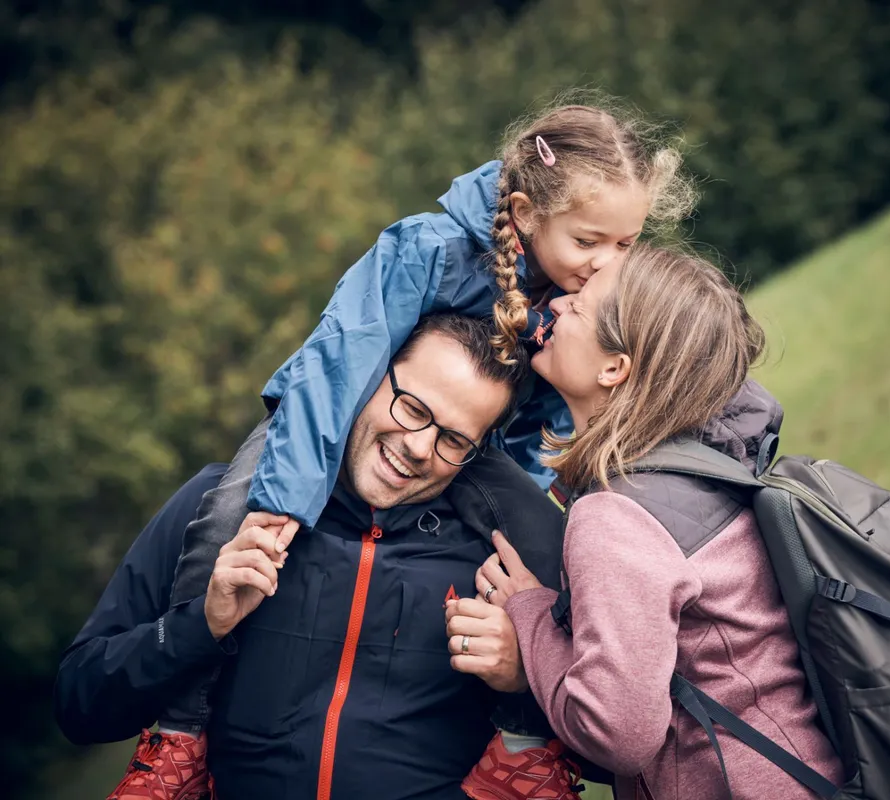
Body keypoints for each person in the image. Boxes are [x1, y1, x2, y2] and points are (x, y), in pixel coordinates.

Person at [109, 99, 696, 799]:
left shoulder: (566, 301)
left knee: (544, 545)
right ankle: (176, 737)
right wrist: (284, 502)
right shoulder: (425, 250)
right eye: (590, 241)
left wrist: (512, 506)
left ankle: (525, 749)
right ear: (529, 212)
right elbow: (335, 370)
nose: (607, 263)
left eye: (625, 246)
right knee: (226, 517)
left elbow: (536, 430)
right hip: (327, 417)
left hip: (461, 452)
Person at [56, 315, 593, 800]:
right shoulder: (222, 511)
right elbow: (80, 704)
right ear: (367, 378)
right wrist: (199, 625)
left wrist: (530, 673)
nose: (420, 447)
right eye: (412, 409)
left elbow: (618, 757)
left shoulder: (500, 565)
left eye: (454, 439)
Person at [448, 246, 846, 799]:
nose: (556, 306)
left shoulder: (617, 513)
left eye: (580, 308)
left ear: (615, 367)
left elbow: (618, 736)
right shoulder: (697, 470)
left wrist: (532, 624)